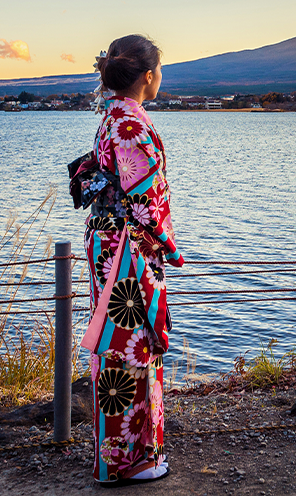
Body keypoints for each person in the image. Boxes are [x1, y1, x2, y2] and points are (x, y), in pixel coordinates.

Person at [84, 34, 183, 486]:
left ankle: (120, 457)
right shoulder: (133, 125)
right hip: (130, 246)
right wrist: (168, 243)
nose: (160, 78)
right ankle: (133, 461)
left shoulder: (112, 117)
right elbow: (146, 200)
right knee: (132, 347)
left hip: (109, 241)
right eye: (159, 71)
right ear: (147, 76)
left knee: (116, 345)